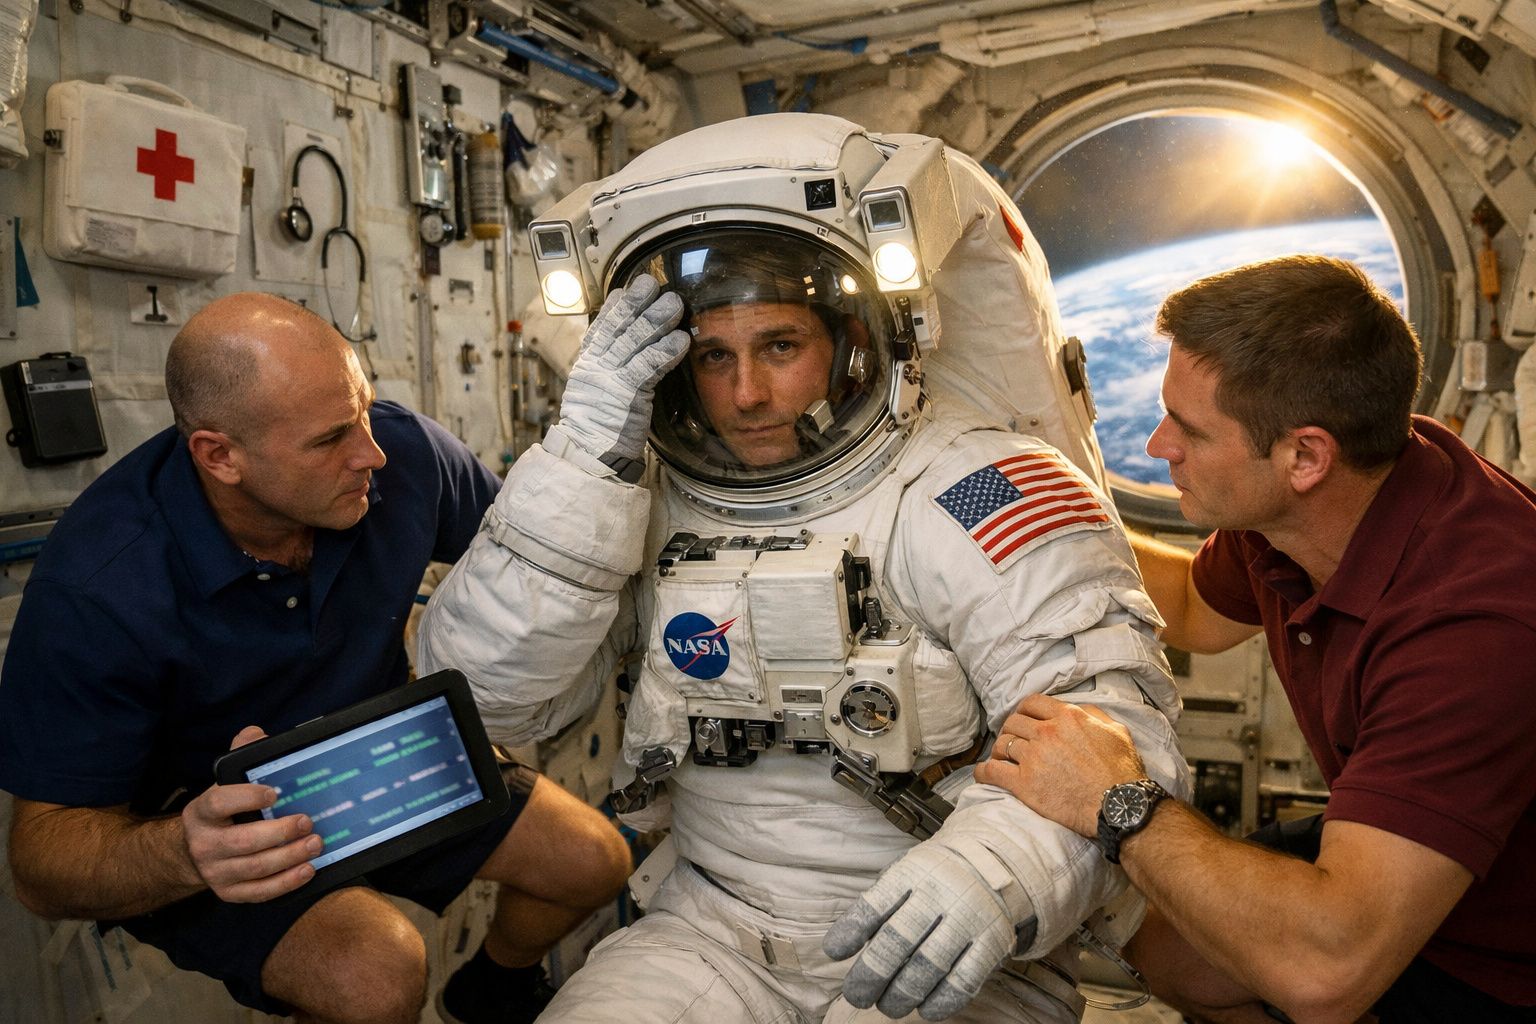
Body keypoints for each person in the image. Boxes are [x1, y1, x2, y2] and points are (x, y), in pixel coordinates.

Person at [417, 111, 1189, 1023]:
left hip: (950, 937)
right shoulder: (641, 502)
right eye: (714, 357)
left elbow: (1111, 726)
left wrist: (992, 877)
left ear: (852, 341)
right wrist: (587, 459)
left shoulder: (976, 487)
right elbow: (480, 704)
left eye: (779, 347)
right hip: (708, 931)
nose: (746, 393)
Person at [0, 293, 633, 1024]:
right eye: (331, 438)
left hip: (380, 752)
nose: (372, 453)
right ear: (219, 455)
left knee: (594, 860)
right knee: (376, 974)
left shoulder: (406, 458)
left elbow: (536, 559)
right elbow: (40, 866)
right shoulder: (100, 584)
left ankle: (492, 989)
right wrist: (184, 851)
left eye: (364, 410)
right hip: (223, 826)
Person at [977, 255, 1536, 1023]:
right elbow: (1194, 613)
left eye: (1190, 430)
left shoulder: (1475, 630)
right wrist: (1011, 526)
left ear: (1305, 456)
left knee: (1280, 956)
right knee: (1174, 947)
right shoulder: (1314, 505)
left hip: (1505, 956)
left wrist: (1117, 798)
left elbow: (1327, 975)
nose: (1155, 445)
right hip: (1407, 858)